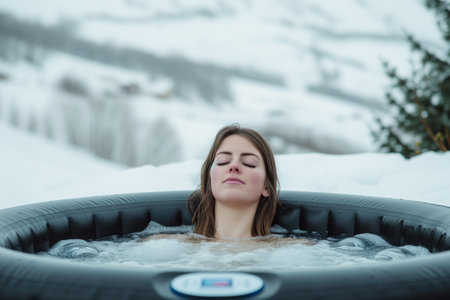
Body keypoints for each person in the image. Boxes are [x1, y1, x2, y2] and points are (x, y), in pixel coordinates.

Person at [187, 124, 279, 240]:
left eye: (249, 162)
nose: (234, 166)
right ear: (210, 179)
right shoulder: (169, 243)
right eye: (223, 161)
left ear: (266, 186)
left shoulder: (292, 249)